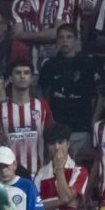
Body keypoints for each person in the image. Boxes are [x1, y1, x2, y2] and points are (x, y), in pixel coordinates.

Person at [38, 24, 103, 152]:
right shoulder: (50, 65)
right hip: (57, 128)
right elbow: (42, 92)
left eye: (69, 37)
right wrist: (48, 119)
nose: (65, 41)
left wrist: (94, 119)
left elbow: (100, 94)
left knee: (81, 169)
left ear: (76, 40)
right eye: (61, 37)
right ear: (57, 41)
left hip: (82, 127)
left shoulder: (88, 64)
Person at [0, 61, 54, 177]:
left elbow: (52, 138)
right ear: (10, 78)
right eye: (18, 73)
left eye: (26, 73)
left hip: (38, 174)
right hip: (8, 175)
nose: (22, 76)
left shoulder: (42, 106)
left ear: (32, 78)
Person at [35, 123, 88, 210]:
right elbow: (36, 207)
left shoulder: (79, 171)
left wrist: (59, 169)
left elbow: (65, 197)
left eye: (60, 142)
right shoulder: (40, 174)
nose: (57, 147)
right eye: (52, 143)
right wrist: (63, 202)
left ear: (68, 143)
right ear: (47, 146)